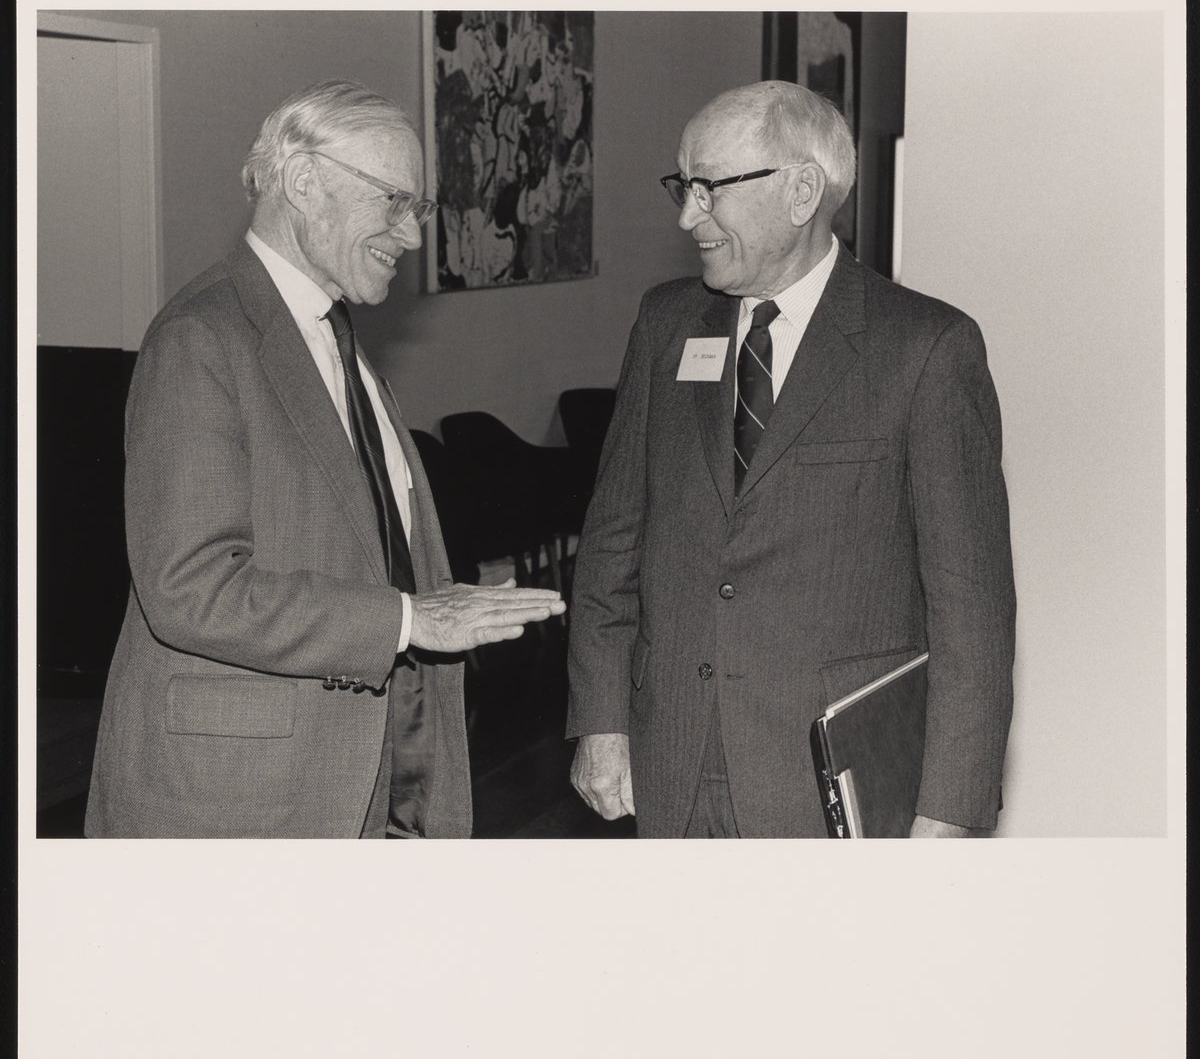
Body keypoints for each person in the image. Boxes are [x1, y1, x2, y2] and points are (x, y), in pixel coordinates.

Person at [85, 79, 565, 838]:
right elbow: (189, 588)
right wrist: (409, 619)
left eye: (418, 210)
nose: (412, 237)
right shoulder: (200, 339)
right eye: (393, 202)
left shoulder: (334, 337)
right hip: (237, 802)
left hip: (352, 773)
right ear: (305, 182)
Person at [566, 80, 1015, 838]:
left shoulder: (926, 349)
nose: (687, 217)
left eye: (709, 189)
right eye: (683, 187)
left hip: (831, 778)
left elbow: (972, 609)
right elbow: (614, 538)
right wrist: (601, 719)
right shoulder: (666, 324)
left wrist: (948, 808)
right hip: (671, 757)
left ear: (801, 191)